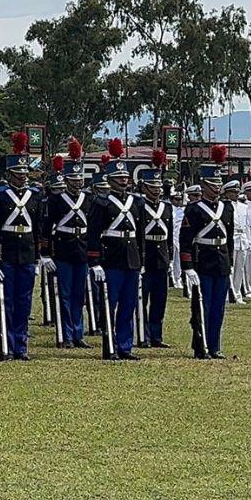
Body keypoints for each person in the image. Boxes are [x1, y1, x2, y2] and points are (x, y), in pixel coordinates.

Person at [85, 139, 143, 361]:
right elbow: (93, 234)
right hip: (111, 258)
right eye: (119, 178)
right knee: (110, 304)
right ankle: (109, 346)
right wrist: (95, 261)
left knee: (128, 306)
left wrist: (142, 260)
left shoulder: (136, 202)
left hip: (132, 258)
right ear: (109, 180)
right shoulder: (101, 202)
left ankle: (125, 346)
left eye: (125, 177)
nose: (124, 181)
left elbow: (139, 234)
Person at [0, 133, 41, 360]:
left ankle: (21, 346)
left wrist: (38, 257)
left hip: (27, 253)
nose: (22, 177)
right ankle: (6, 345)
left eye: (25, 173)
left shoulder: (34, 195)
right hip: (6, 254)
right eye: (18, 174)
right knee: (5, 302)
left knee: (24, 303)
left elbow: (38, 228)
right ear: (9, 175)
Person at [179, 146, 235, 358]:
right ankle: (200, 346)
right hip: (202, 261)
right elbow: (185, 240)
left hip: (221, 261)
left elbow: (229, 238)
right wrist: (188, 266)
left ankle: (215, 345)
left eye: (219, 184)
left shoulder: (227, 208)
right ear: (203, 185)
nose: (217, 188)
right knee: (202, 306)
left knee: (218, 308)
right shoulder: (194, 209)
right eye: (213, 184)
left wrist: (230, 261)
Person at [41, 138, 90, 348]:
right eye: (74, 179)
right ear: (67, 180)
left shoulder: (89, 200)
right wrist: (45, 254)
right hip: (63, 250)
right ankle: (67, 334)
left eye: (80, 179)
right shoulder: (56, 200)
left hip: (82, 250)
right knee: (65, 295)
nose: (77, 182)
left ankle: (78, 333)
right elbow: (45, 228)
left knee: (80, 295)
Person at [139, 150, 173, 348]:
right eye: (153, 186)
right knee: (142, 300)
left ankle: (157, 335)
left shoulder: (166, 208)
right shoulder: (139, 205)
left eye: (159, 186)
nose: (157, 190)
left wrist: (168, 257)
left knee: (160, 300)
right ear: (145, 187)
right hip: (146, 255)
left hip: (161, 257)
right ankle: (143, 335)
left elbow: (169, 235)